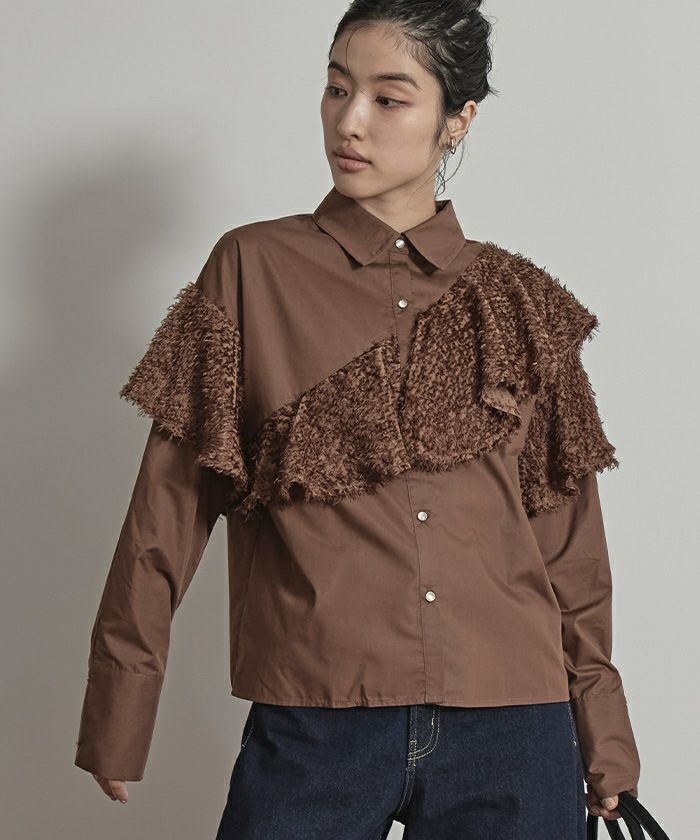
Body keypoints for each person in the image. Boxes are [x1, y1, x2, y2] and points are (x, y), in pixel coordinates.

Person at [74, 1, 642, 837]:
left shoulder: (516, 300)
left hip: (514, 724)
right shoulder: (251, 268)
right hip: (317, 717)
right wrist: (120, 711)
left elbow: (569, 542)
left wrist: (604, 735)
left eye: (389, 98)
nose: (350, 120)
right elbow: (169, 511)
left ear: (457, 120)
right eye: (337, 89)